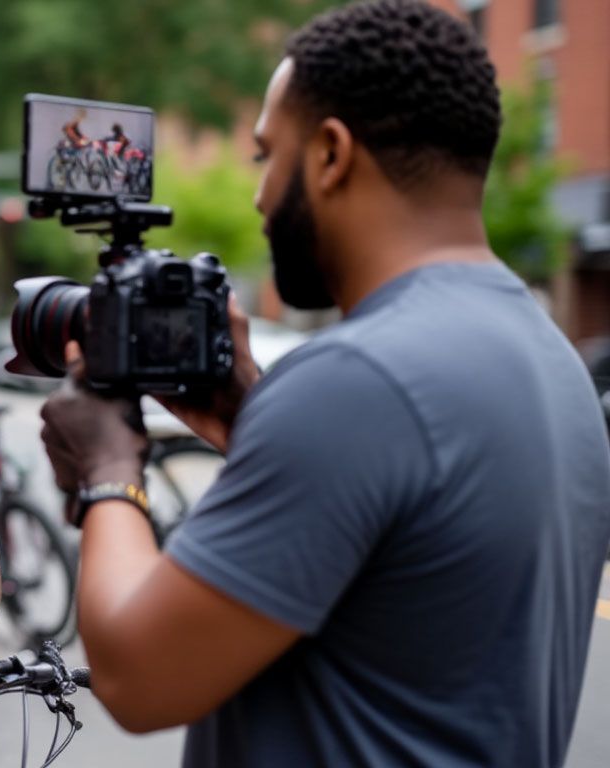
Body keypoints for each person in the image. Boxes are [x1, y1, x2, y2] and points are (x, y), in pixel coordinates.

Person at [38, 2, 610, 766]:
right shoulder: (549, 356)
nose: (259, 196)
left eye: (266, 156)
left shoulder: (359, 381)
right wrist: (253, 413)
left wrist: (107, 467)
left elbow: (137, 679)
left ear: (332, 155)